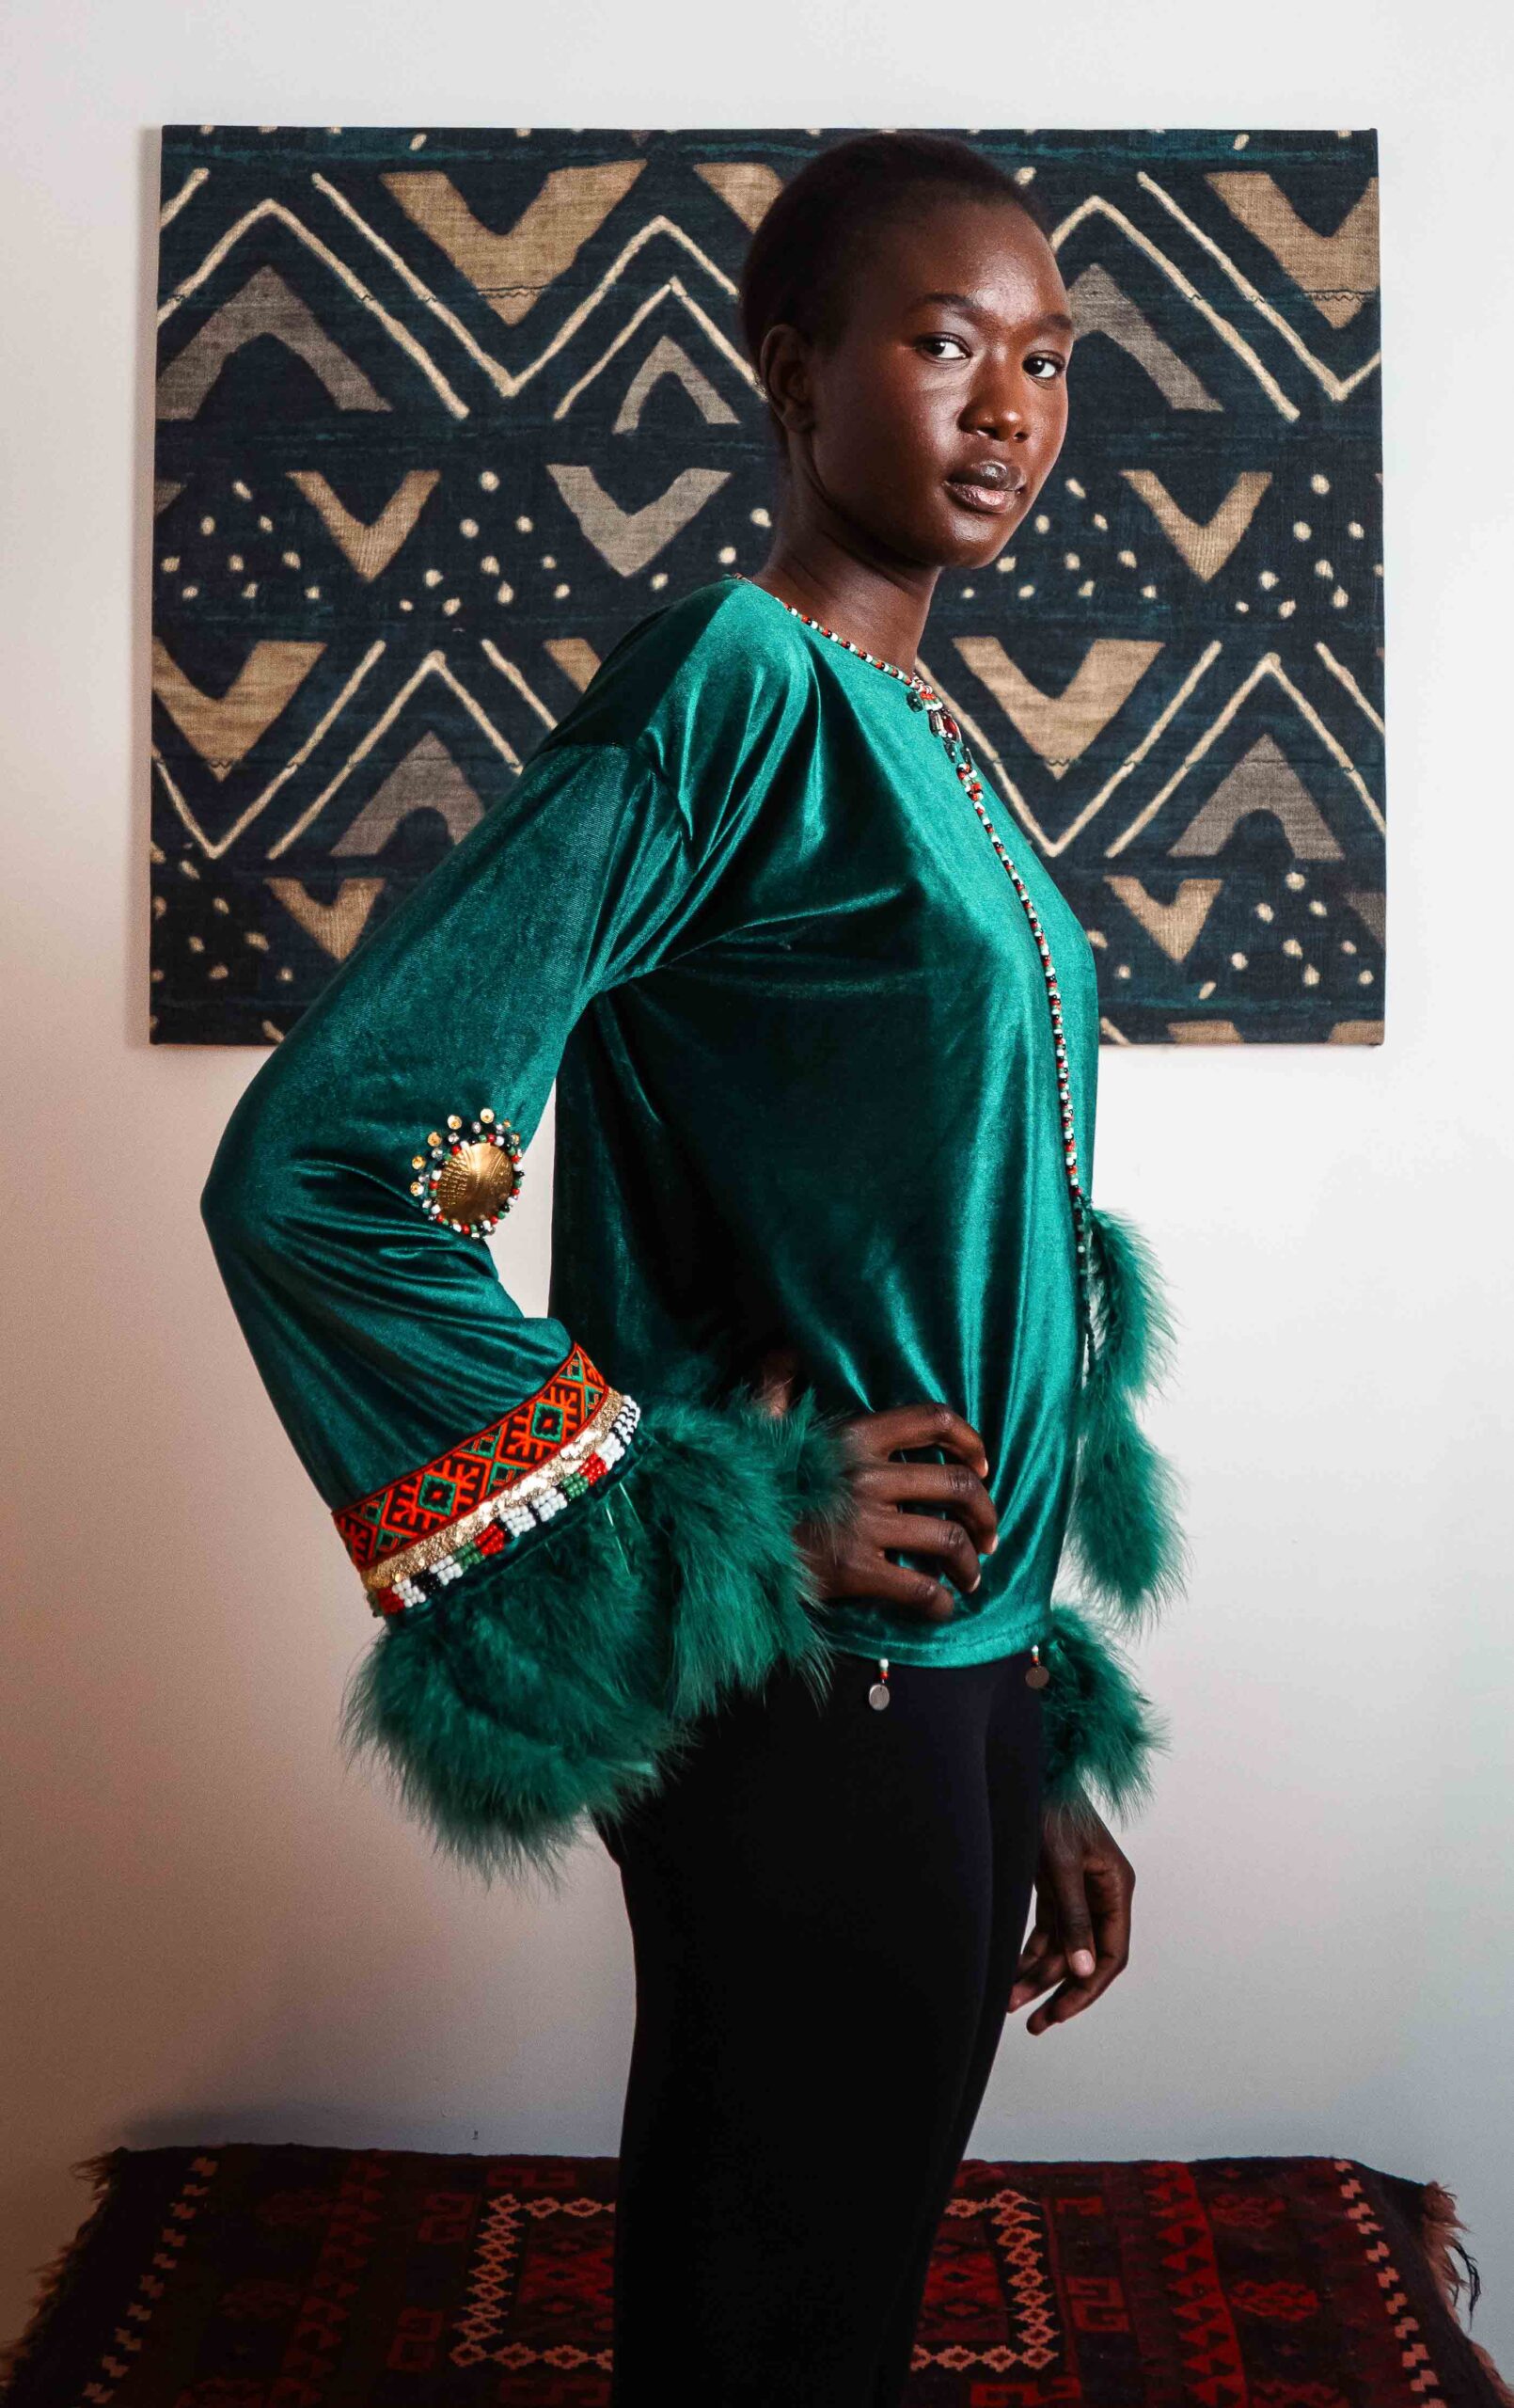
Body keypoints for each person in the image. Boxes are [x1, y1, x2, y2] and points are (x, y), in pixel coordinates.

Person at [200, 129, 1183, 2408]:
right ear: (790, 366)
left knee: (826, 2306)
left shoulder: (925, 728)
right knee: (768, 2332)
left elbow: (941, 1243)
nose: (1010, 408)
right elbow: (319, 1165)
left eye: (1048, 358)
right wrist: (697, 1496)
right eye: (944, 343)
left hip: (943, 1690)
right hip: (813, 1698)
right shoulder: (724, 689)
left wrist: (1028, 1726)